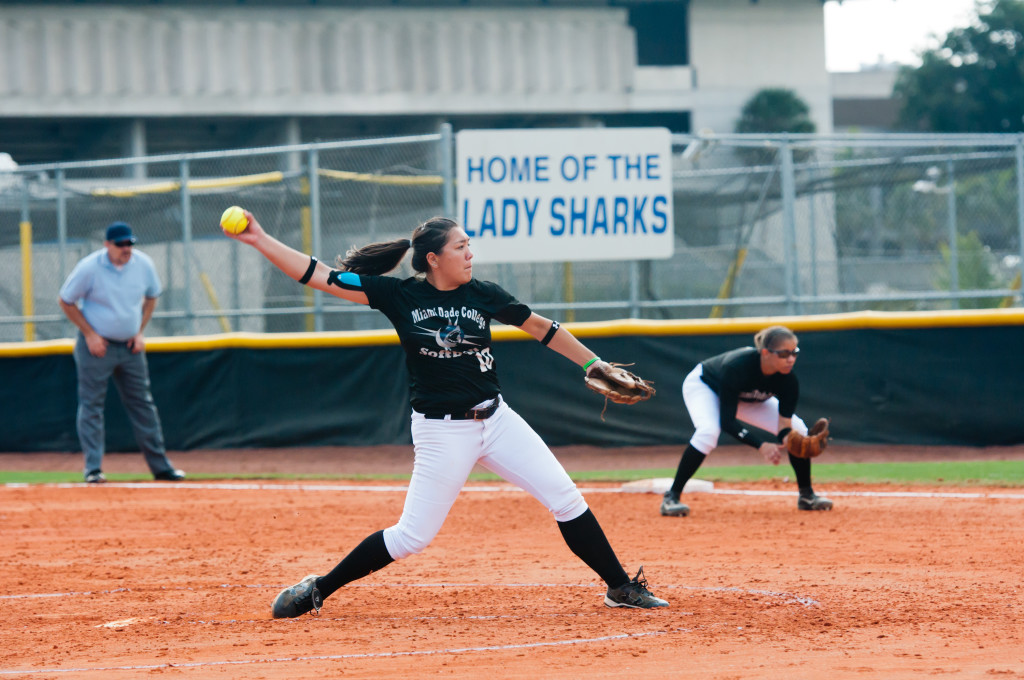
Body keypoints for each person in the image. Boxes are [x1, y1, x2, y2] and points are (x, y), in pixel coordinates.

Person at [224, 212, 668, 616]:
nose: (470, 253)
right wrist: (260, 238)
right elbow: (317, 275)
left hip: (497, 421)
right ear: (434, 259)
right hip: (442, 432)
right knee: (411, 538)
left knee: (567, 499)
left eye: (469, 245)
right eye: (461, 246)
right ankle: (319, 588)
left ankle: (620, 587)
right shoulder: (398, 295)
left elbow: (541, 327)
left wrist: (594, 364)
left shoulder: (483, 295)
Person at [58, 222, 185, 484]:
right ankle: (93, 469)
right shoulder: (90, 267)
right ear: (107, 245)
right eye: (120, 244)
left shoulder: (143, 264)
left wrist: (139, 331)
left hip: (130, 347)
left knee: (143, 406)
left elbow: (152, 297)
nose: (126, 249)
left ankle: (161, 467)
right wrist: (90, 334)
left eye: (129, 243)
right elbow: (66, 300)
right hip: (96, 347)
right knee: (91, 405)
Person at [660, 325, 832, 517]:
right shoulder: (737, 367)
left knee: (798, 430)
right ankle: (671, 497)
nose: (791, 359)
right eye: (784, 354)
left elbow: (784, 425)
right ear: (766, 353)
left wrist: (787, 438)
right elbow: (727, 421)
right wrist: (761, 445)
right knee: (708, 432)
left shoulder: (788, 380)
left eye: (794, 352)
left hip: (747, 398)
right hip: (706, 386)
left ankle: (807, 496)